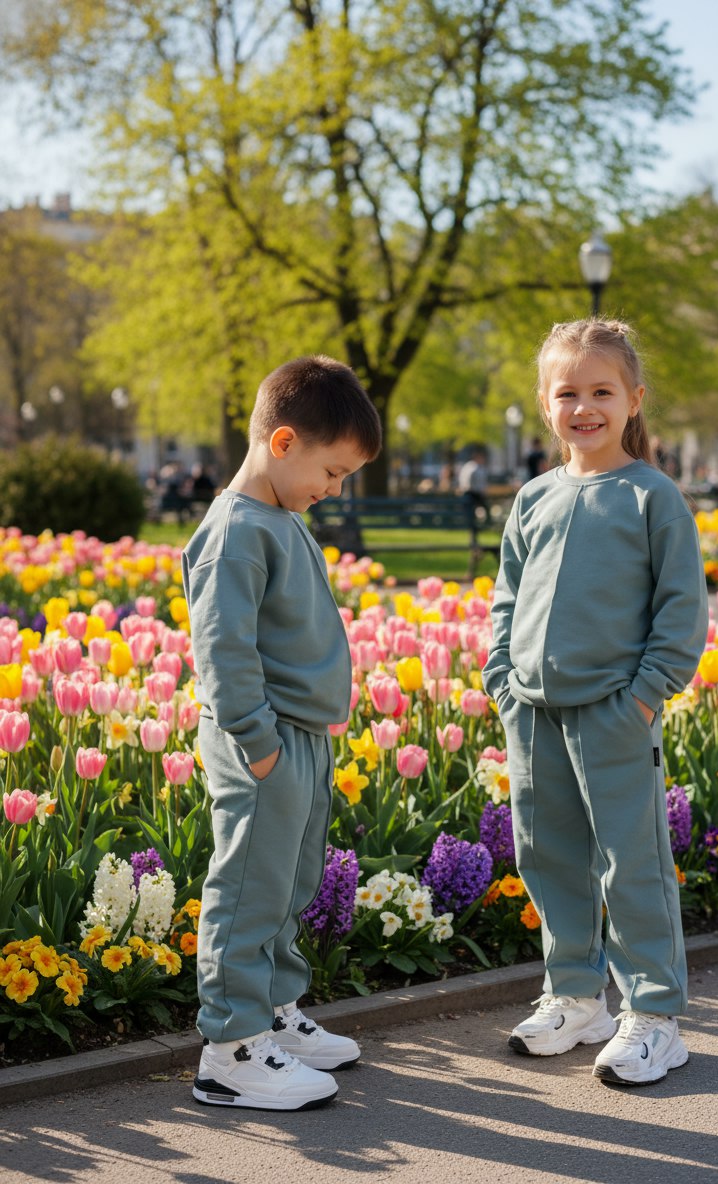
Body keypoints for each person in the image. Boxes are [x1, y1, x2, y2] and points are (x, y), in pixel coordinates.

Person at [482, 319, 708, 1086]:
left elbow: (681, 612)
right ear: (546, 403)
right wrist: (502, 682)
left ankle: (655, 1015)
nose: (584, 407)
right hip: (532, 712)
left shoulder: (653, 498)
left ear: (633, 399)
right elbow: (507, 598)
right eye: (567, 392)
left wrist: (642, 699)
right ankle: (577, 998)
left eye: (602, 391)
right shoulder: (533, 498)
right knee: (547, 858)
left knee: (630, 864)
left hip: (614, 713)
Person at [182, 355, 382, 1111]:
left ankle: (273, 1014)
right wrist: (258, 744)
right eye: (332, 472)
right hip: (261, 741)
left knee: (289, 884)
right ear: (285, 442)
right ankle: (230, 1051)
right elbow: (224, 651)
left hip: (299, 737)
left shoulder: (282, 519)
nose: (334, 490)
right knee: (248, 890)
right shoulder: (236, 531)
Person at [457, 447, 489, 521]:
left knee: (472, 511)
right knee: (472, 511)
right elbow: (471, 481)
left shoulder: (469, 466)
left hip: (471, 492)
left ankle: (475, 525)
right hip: (472, 492)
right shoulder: (474, 467)